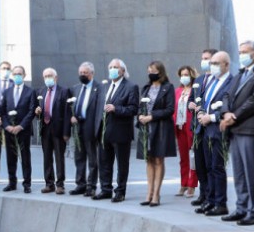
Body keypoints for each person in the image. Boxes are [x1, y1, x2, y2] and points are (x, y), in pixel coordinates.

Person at [219, 40, 254, 225]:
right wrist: (226, 113)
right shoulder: (240, 73)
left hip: (250, 130)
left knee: (251, 172)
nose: (242, 54)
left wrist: (234, 116)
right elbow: (227, 95)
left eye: (245, 51)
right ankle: (241, 207)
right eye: (240, 51)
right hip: (235, 129)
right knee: (239, 172)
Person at [196, 51, 234, 217]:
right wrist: (201, 113)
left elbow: (230, 106)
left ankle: (220, 203)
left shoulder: (231, 82)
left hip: (219, 129)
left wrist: (211, 117)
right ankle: (210, 201)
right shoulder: (212, 81)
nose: (213, 66)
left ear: (226, 64)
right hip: (206, 129)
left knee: (217, 167)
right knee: (209, 167)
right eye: (212, 63)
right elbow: (206, 101)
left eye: (216, 63)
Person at [95, 58, 139, 202]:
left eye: (116, 67)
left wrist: (116, 108)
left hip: (121, 132)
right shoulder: (105, 86)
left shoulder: (131, 87)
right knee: (104, 162)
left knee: (122, 164)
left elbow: (133, 109)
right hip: (104, 132)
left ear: (123, 70)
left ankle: (120, 191)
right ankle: (105, 189)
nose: (113, 70)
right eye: (111, 67)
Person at [136, 61, 176, 206]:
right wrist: (140, 115)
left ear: (160, 72)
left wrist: (152, 116)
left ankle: (156, 194)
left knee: (158, 160)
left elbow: (170, 109)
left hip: (160, 128)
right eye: (149, 71)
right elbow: (140, 106)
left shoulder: (168, 87)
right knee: (149, 160)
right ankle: (149, 192)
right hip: (146, 128)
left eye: (153, 71)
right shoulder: (146, 88)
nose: (150, 73)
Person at [0, 65, 37, 193]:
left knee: (25, 157)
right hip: (9, 130)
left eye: (19, 74)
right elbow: (2, 111)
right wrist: (7, 126)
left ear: (24, 75)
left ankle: (27, 184)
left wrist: (21, 126)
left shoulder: (30, 92)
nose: (17, 76)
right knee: (11, 157)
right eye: (15, 74)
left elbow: (32, 111)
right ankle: (12, 182)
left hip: (23, 130)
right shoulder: (7, 92)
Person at [188, 49, 217, 208]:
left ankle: (211, 196)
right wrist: (191, 105)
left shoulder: (217, 79)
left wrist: (203, 110)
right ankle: (203, 194)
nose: (204, 61)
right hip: (197, 127)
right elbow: (191, 99)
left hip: (210, 126)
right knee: (199, 163)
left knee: (209, 164)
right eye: (202, 58)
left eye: (207, 58)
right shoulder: (199, 79)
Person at [69, 62, 102, 197]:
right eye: (81, 73)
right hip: (78, 126)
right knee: (79, 157)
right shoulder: (75, 88)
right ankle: (80, 184)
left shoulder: (99, 88)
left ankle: (91, 186)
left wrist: (97, 129)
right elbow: (70, 107)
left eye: (85, 73)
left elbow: (99, 109)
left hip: (90, 126)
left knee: (92, 159)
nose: (83, 75)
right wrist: (71, 117)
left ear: (92, 73)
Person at [35, 68, 71, 194]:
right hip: (45, 128)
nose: (48, 78)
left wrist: (66, 132)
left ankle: (60, 184)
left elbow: (67, 113)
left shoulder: (64, 91)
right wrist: (37, 112)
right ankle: (49, 184)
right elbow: (38, 111)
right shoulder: (41, 92)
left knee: (59, 157)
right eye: (45, 76)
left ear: (56, 77)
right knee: (47, 157)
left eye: (50, 76)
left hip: (58, 129)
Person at [174, 65, 198, 198]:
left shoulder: (195, 90)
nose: (184, 77)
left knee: (193, 156)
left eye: (186, 75)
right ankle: (183, 183)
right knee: (183, 158)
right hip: (180, 127)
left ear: (191, 76)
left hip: (191, 127)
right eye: (182, 75)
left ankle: (192, 185)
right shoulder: (178, 91)